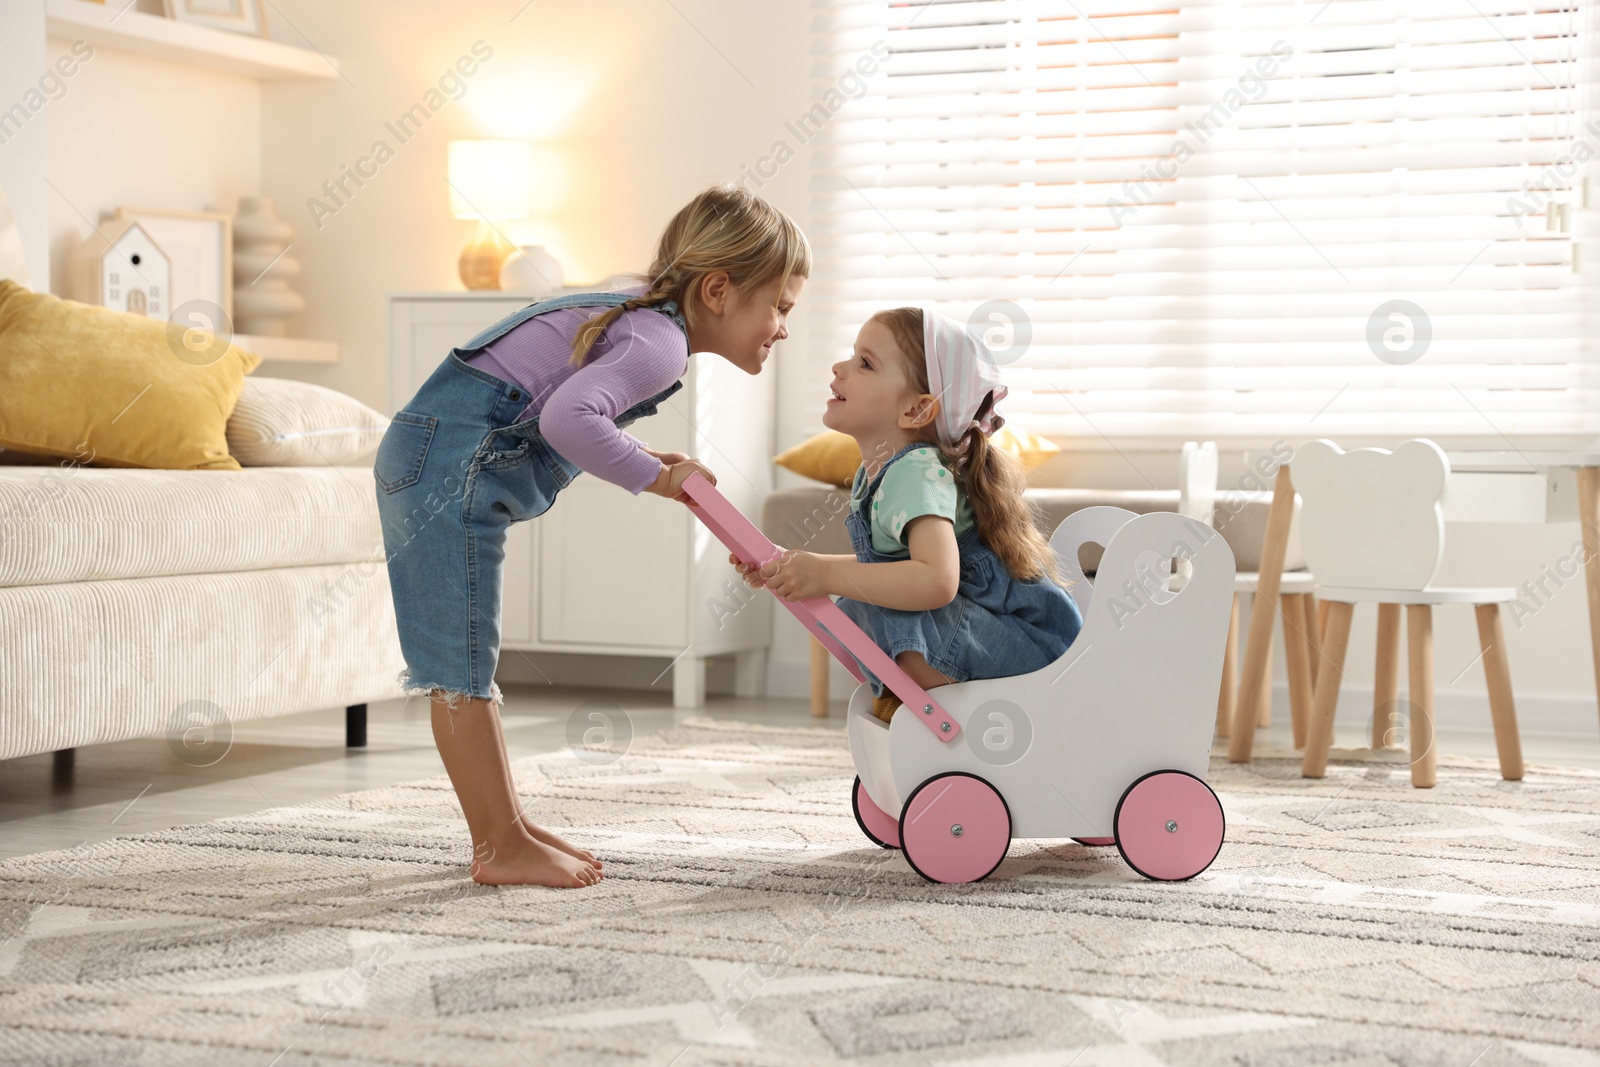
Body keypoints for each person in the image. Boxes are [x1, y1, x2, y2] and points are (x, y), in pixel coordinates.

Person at [375, 184, 809, 887]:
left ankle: (505, 825)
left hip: (431, 453)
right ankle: (497, 845)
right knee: (458, 668)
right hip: (447, 466)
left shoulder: (640, 306)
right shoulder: (663, 347)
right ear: (721, 290)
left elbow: (564, 398)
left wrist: (651, 462)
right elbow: (567, 422)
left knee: (465, 662)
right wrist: (655, 479)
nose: (785, 325)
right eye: (781, 306)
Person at [734, 307, 1080, 722]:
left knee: (875, 607)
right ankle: (908, 708)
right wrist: (794, 569)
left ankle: (911, 713)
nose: (839, 367)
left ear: (916, 411)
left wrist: (821, 574)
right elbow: (889, 573)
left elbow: (936, 581)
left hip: (1030, 652)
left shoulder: (916, 471)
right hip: (1003, 643)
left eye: (865, 363)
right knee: (865, 599)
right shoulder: (882, 471)